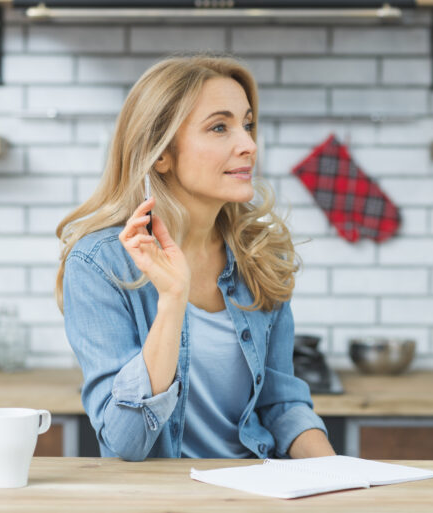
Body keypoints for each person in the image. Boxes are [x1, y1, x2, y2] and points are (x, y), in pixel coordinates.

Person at [55, 55, 336, 461]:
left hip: (259, 489)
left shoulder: (259, 253)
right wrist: (172, 299)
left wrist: (338, 475)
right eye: (220, 127)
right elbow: (125, 442)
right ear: (161, 154)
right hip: (161, 499)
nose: (249, 145)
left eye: (248, 124)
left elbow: (281, 405)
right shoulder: (101, 264)